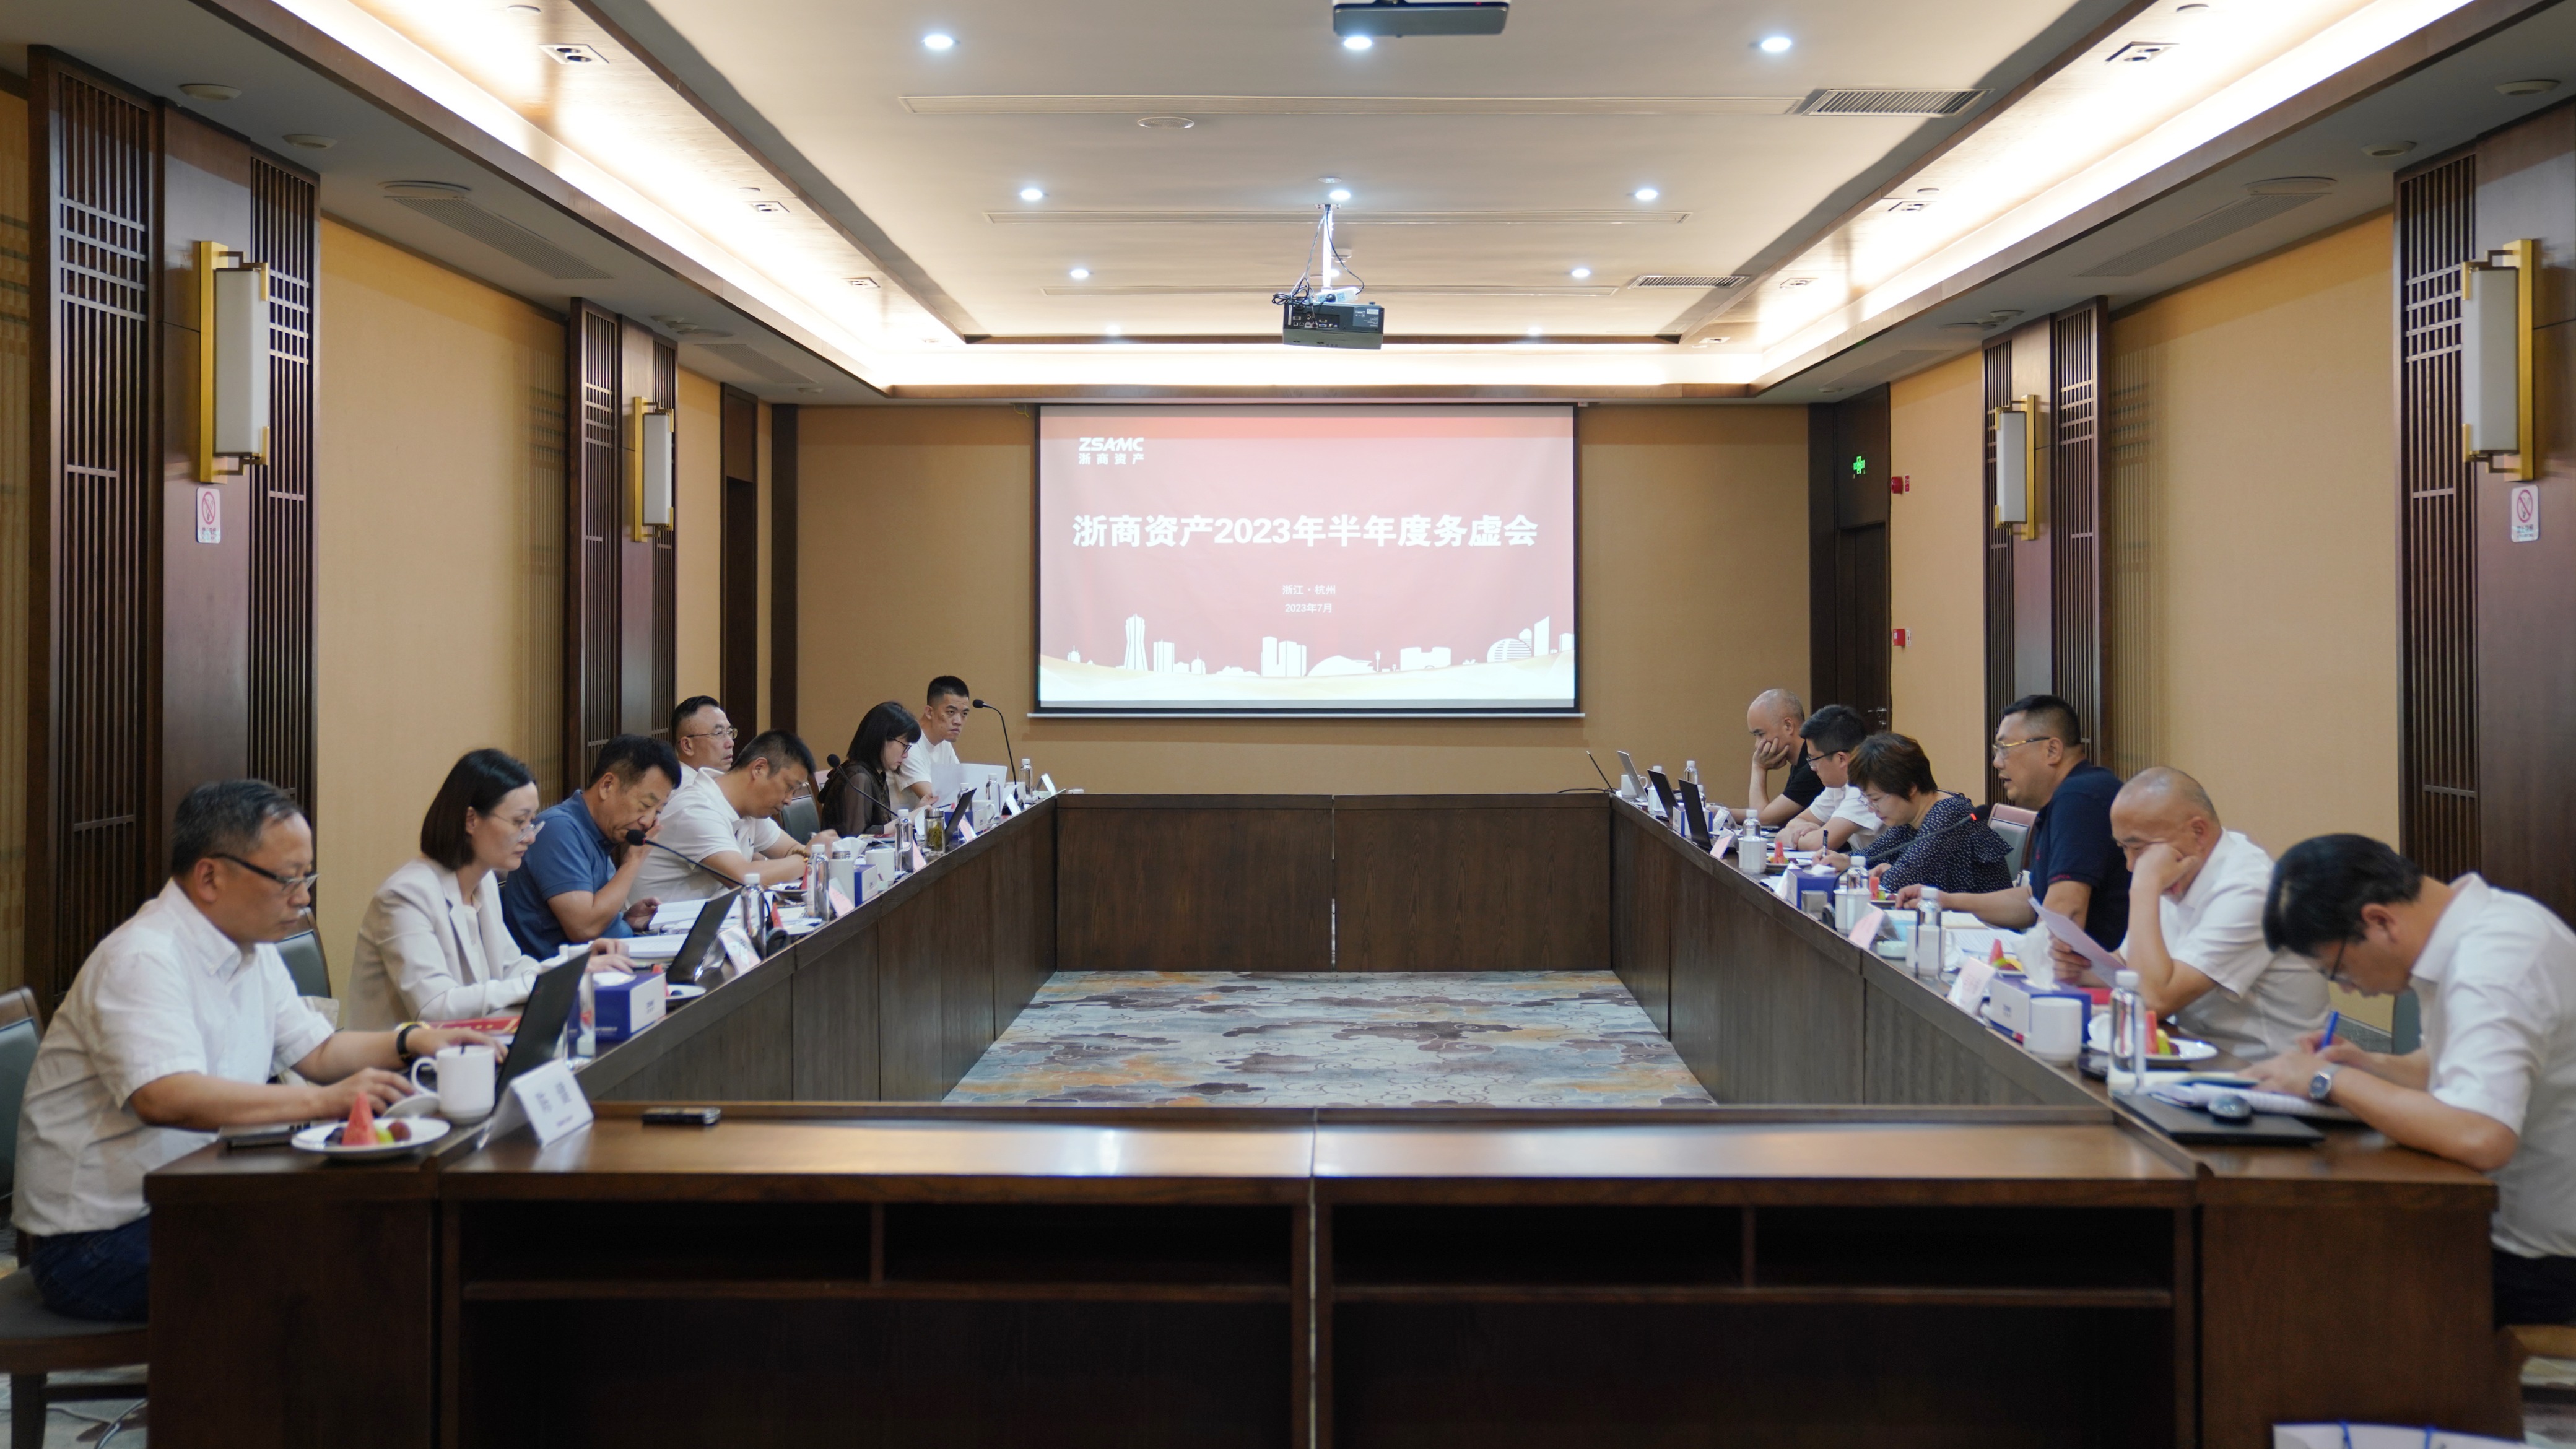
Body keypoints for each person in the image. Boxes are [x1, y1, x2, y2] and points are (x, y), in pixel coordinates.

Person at [12, 780, 496, 1322]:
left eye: (307, 877)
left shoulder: (248, 947)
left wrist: (413, 1040)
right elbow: (165, 1097)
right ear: (210, 877)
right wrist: (324, 1102)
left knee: (374, 1234)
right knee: (334, 1264)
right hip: (96, 1242)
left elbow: (317, 1051)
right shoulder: (144, 958)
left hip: (194, 1194)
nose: (303, 897)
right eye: (288, 880)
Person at [2247, 835, 2576, 1329]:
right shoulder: (2480, 929)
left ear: (2380, 921)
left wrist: (2328, 1080)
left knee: (2308, 1285)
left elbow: (2481, 1135)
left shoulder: (2493, 966)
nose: (2348, 988)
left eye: (2338, 970)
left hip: (2537, 1264)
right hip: (2495, 1227)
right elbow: (2454, 1068)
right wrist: (2368, 1064)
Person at [346, 750, 630, 1030]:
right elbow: (435, 1007)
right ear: (471, 820)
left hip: (469, 1044)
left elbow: (510, 968)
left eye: (532, 822)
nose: (530, 837)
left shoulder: (484, 883)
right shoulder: (406, 896)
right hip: (405, 1058)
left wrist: (576, 964)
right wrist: (540, 983)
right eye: (519, 822)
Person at [2057, 767, 2326, 1060]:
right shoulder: (2173, 867)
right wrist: (2081, 968)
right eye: (2124, 848)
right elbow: (2130, 969)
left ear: (2198, 832)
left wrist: (2144, 888)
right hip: (2195, 1052)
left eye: (2139, 849)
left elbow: (2152, 1001)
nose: (2132, 866)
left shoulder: (2250, 888)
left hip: (2262, 1069)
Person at [1914, 694, 2131, 955]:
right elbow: (2033, 900)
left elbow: (2066, 910)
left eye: (2005, 748)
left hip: (2106, 974)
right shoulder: (2066, 798)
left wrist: (2030, 966)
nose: (1997, 762)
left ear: (2052, 750)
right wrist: (1946, 901)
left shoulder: (2081, 798)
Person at [500, 734, 681, 957]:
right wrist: (634, 860)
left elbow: (594, 917)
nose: (648, 821)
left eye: (658, 811)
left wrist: (623, 921)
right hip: (567, 973)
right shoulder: (558, 829)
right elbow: (584, 929)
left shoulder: (601, 833)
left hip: (614, 957)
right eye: (645, 805)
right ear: (607, 785)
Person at [637, 731, 837, 902]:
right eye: (789, 787)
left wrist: (813, 854)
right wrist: (811, 858)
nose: (789, 801)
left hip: (705, 925)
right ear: (759, 768)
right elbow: (744, 879)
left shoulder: (749, 809)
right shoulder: (696, 808)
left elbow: (790, 851)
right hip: (656, 928)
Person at [1841, 732, 2011, 895]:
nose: (1871, 808)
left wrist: (1886, 872)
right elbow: (1873, 855)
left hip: (1983, 916)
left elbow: (1898, 881)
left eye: (1875, 799)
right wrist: (1842, 860)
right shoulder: (1911, 814)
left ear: (1910, 788)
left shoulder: (1948, 814)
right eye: (1867, 800)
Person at [1778, 703, 1881, 854]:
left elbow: (1818, 844)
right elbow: (1795, 823)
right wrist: (1812, 829)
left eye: (1814, 759)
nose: (1813, 768)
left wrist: (1794, 837)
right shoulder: (1838, 786)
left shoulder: (1865, 787)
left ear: (1841, 759)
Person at [820, 702, 920, 838]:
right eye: (905, 746)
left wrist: (916, 812)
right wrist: (907, 820)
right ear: (882, 739)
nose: (906, 755)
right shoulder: (858, 778)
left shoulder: (877, 775)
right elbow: (857, 838)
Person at [1744, 689, 1824, 829]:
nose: (1757, 745)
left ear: (1788, 726)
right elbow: (1776, 814)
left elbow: (1763, 819)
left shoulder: (1814, 766)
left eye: (1761, 734)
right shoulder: (1799, 762)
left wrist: (1758, 767)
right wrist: (1723, 813)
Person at [895, 676, 972, 808]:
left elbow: (961, 789)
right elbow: (936, 801)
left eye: (964, 714)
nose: (958, 721)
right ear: (929, 712)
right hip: (904, 821)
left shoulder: (944, 744)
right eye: (951, 712)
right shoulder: (908, 745)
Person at [672, 695, 736, 778]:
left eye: (729, 732)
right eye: (718, 733)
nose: (731, 743)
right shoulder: (688, 785)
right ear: (687, 746)